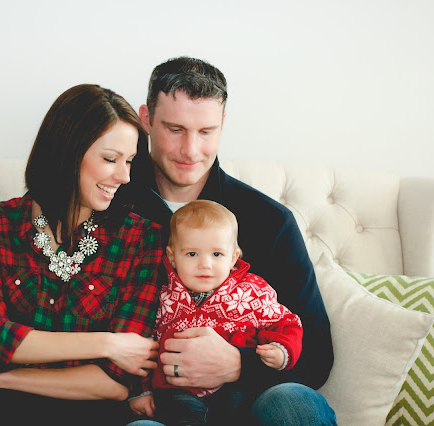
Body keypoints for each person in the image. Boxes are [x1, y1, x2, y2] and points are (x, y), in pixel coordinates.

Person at [0, 84, 164, 426]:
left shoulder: (142, 239)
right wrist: (108, 344)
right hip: (0, 410)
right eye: (110, 159)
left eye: (129, 161)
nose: (124, 176)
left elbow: (116, 383)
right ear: (67, 152)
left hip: (90, 413)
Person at [125, 57, 336, 425]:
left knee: (293, 401)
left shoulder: (269, 221)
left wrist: (239, 364)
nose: (191, 150)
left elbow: (317, 355)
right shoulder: (110, 205)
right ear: (146, 119)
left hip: (252, 404)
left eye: (206, 131)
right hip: (163, 409)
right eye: (175, 129)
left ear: (223, 123)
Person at [128, 200, 303, 425]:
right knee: (177, 411)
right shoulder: (162, 298)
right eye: (192, 254)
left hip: (237, 389)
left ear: (233, 258)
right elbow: (141, 345)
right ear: (172, 257)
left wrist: (282, 349)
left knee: (245, 403)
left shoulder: (250, 292)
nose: (205, 264)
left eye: (217, 254)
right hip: (178, 389)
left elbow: (286, 322)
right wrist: (140, 390)